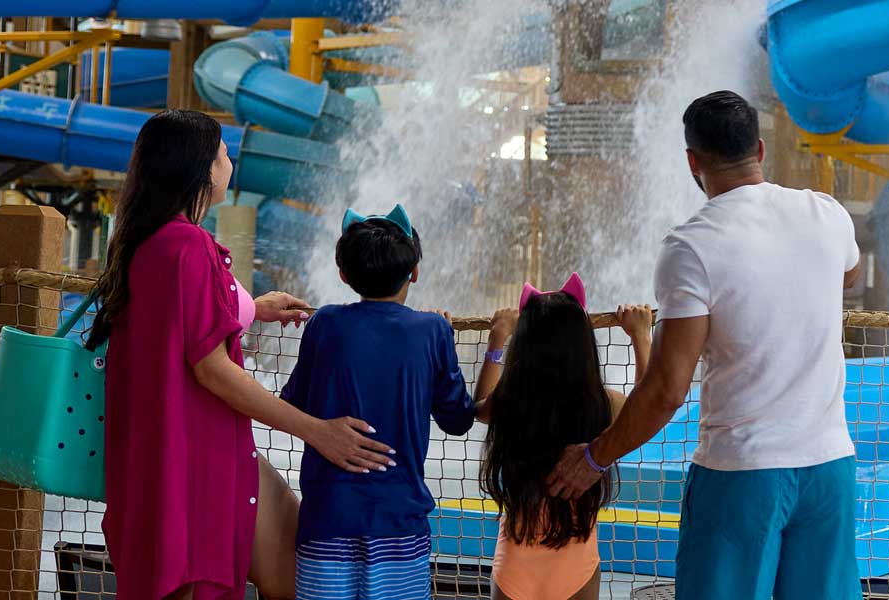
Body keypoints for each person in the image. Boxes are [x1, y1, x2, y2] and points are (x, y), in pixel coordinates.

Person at [544, 90, 865, 600]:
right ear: (759, 150)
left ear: (693, 162)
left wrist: (594, 458)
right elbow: (850, 272)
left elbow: (668, 387)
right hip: (830, 468)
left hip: (744, 475)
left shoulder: (692, 246)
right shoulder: (826, 213)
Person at [88, 109, 395, 600]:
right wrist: (316, 432)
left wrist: (250, 307)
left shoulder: (147, 242)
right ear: (202, 169)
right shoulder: (190, 246)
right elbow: (211, 368)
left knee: (295, 570)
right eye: (224, 152)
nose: (230, 160)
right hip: (199, 457)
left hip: (171, 455)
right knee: (254, 577)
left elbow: (181, 322)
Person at [278, 205, 477, 599]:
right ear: (414, 271)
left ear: (344, 275)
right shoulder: (432, 329)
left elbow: (293, 405)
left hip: (327, 521)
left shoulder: (325, 323)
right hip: (399, 526)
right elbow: (458, 419)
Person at [474, 274, 654, 600]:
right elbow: (647, 409)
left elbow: (479, 405)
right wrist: (641, 336)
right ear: (583, 346)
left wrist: (497, 339)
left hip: (515, 563)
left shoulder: (511, 403)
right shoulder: (602, 404)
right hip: (576, 564)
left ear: (524, 348)